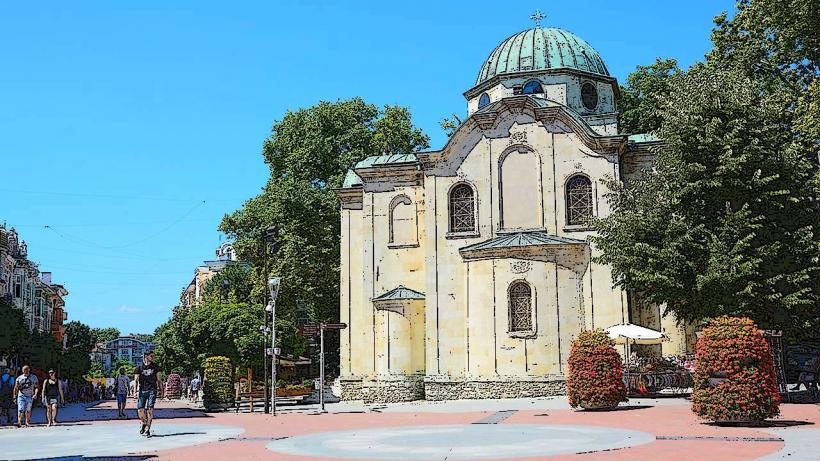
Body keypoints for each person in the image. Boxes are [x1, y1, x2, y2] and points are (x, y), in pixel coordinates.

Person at [135, 351, 162, 437]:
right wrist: (135, 391)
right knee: (140, 410)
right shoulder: (139, 368)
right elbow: (136, 380)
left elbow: (159, 380)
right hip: (142, 391)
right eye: (151, 356)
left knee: (150, 409)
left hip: (152, 390)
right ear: (146, 356)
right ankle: (144, 423)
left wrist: (161, 390)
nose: (153, 357)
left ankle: (148, 429)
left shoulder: (156, 367)